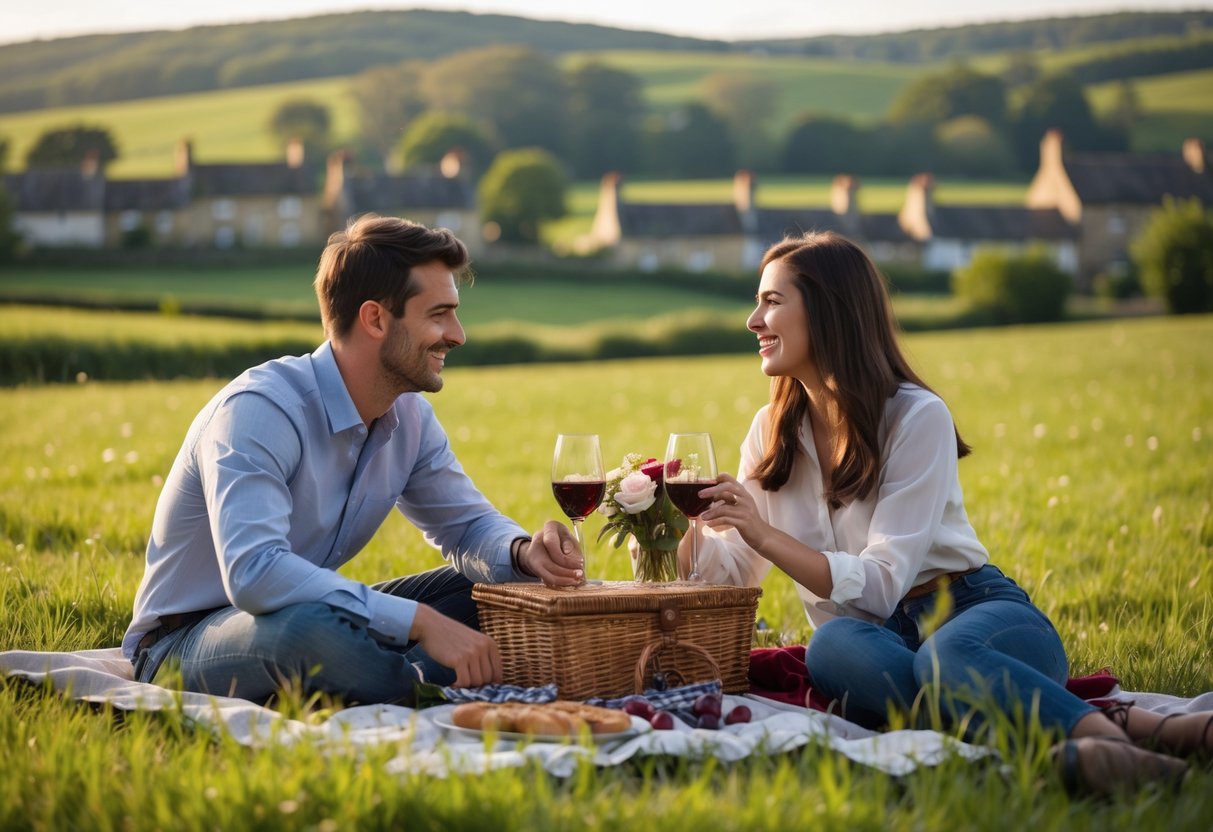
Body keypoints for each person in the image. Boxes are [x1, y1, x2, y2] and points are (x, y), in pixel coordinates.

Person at [685, 231, 1210, 795]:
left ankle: (1124, 749)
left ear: (830, 311)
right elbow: (734, 573)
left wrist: (763, 533)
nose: (752, 319)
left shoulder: (916, 416)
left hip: (973, 611)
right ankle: (1079, 738)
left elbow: (883, 583)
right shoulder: (770, 434)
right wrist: (672, 530)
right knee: (830, 647)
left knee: (945, 658)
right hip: (873, 642)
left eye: (772, 301)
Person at [122, 214, 585, 705]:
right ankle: (427, 690)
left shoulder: (411, 418)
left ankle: (386, 679)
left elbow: (467, 528)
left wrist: (521, 553)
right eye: (439, 314)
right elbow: (254, 574)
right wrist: (419, 622)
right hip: (184, 643)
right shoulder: (260, 410)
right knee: (309, 630)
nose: (458, 334)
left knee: (483, 591)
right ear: (375, 319)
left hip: (301, 614)